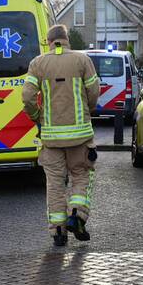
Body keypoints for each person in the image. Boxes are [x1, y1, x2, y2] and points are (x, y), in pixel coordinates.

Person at [22, 24, 100, 247]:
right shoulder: (82, 60)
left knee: (55, 183)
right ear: (67, 40)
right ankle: (76, 215)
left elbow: (27, 97)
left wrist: (37, 117)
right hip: (80, 136)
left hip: (51, 138)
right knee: (81, 176)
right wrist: (87, 110)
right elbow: (94, 91)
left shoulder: (38, 63)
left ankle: (58, 232)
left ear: (49, 41)